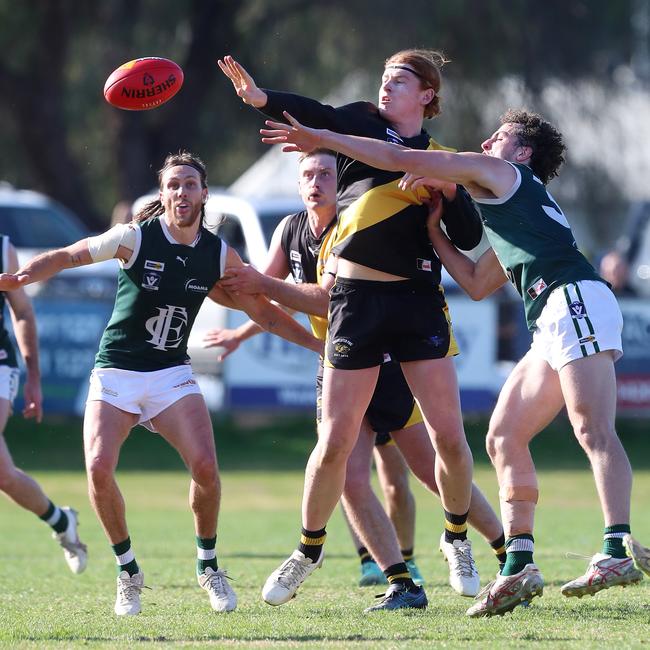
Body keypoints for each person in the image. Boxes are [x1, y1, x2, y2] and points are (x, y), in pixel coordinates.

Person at [258, 108, 650, 616]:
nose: (487, 141)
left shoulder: (507, 173)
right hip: (549, 317)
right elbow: (477, 283)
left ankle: (616, 546)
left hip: (571, 297)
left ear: (522, 151)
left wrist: (320, 136)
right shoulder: (510, 205)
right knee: (503, 436)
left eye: (500, 136)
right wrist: (436, 229)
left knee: (592, 429)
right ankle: (519, 563)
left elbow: (398, 155)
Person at [219, 51, 491, 612]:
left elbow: (466, 236)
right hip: (355, 301)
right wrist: (263, 100)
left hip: (416, 300)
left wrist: (448, 192)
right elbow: (318, 113)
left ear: (428, 96)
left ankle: (457, 538)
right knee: (336, 442)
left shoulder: (444, 159)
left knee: (448, 437)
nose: (386, 86)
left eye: (400, 80)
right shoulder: (365, 125)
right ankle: (308, 549)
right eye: (385, 76)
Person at [0, 151, 322, 616]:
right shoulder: (135, 237)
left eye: (190, 184)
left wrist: (318, 347)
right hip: (116, 371)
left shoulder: (216, 253)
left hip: (171, 374)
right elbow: (73, 253)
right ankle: (128, 571)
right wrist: (30, 272)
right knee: (97, 467)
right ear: (163, 194)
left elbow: (263, 311)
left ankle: (208, 565)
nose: (181, 193)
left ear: (205, 193)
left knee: (207, 470)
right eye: (173, 185)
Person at [0, 234, 87, 575]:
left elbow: (21, 311)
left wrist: (33, 377)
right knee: (5, 476)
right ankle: (61, 520)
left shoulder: (2, 249)